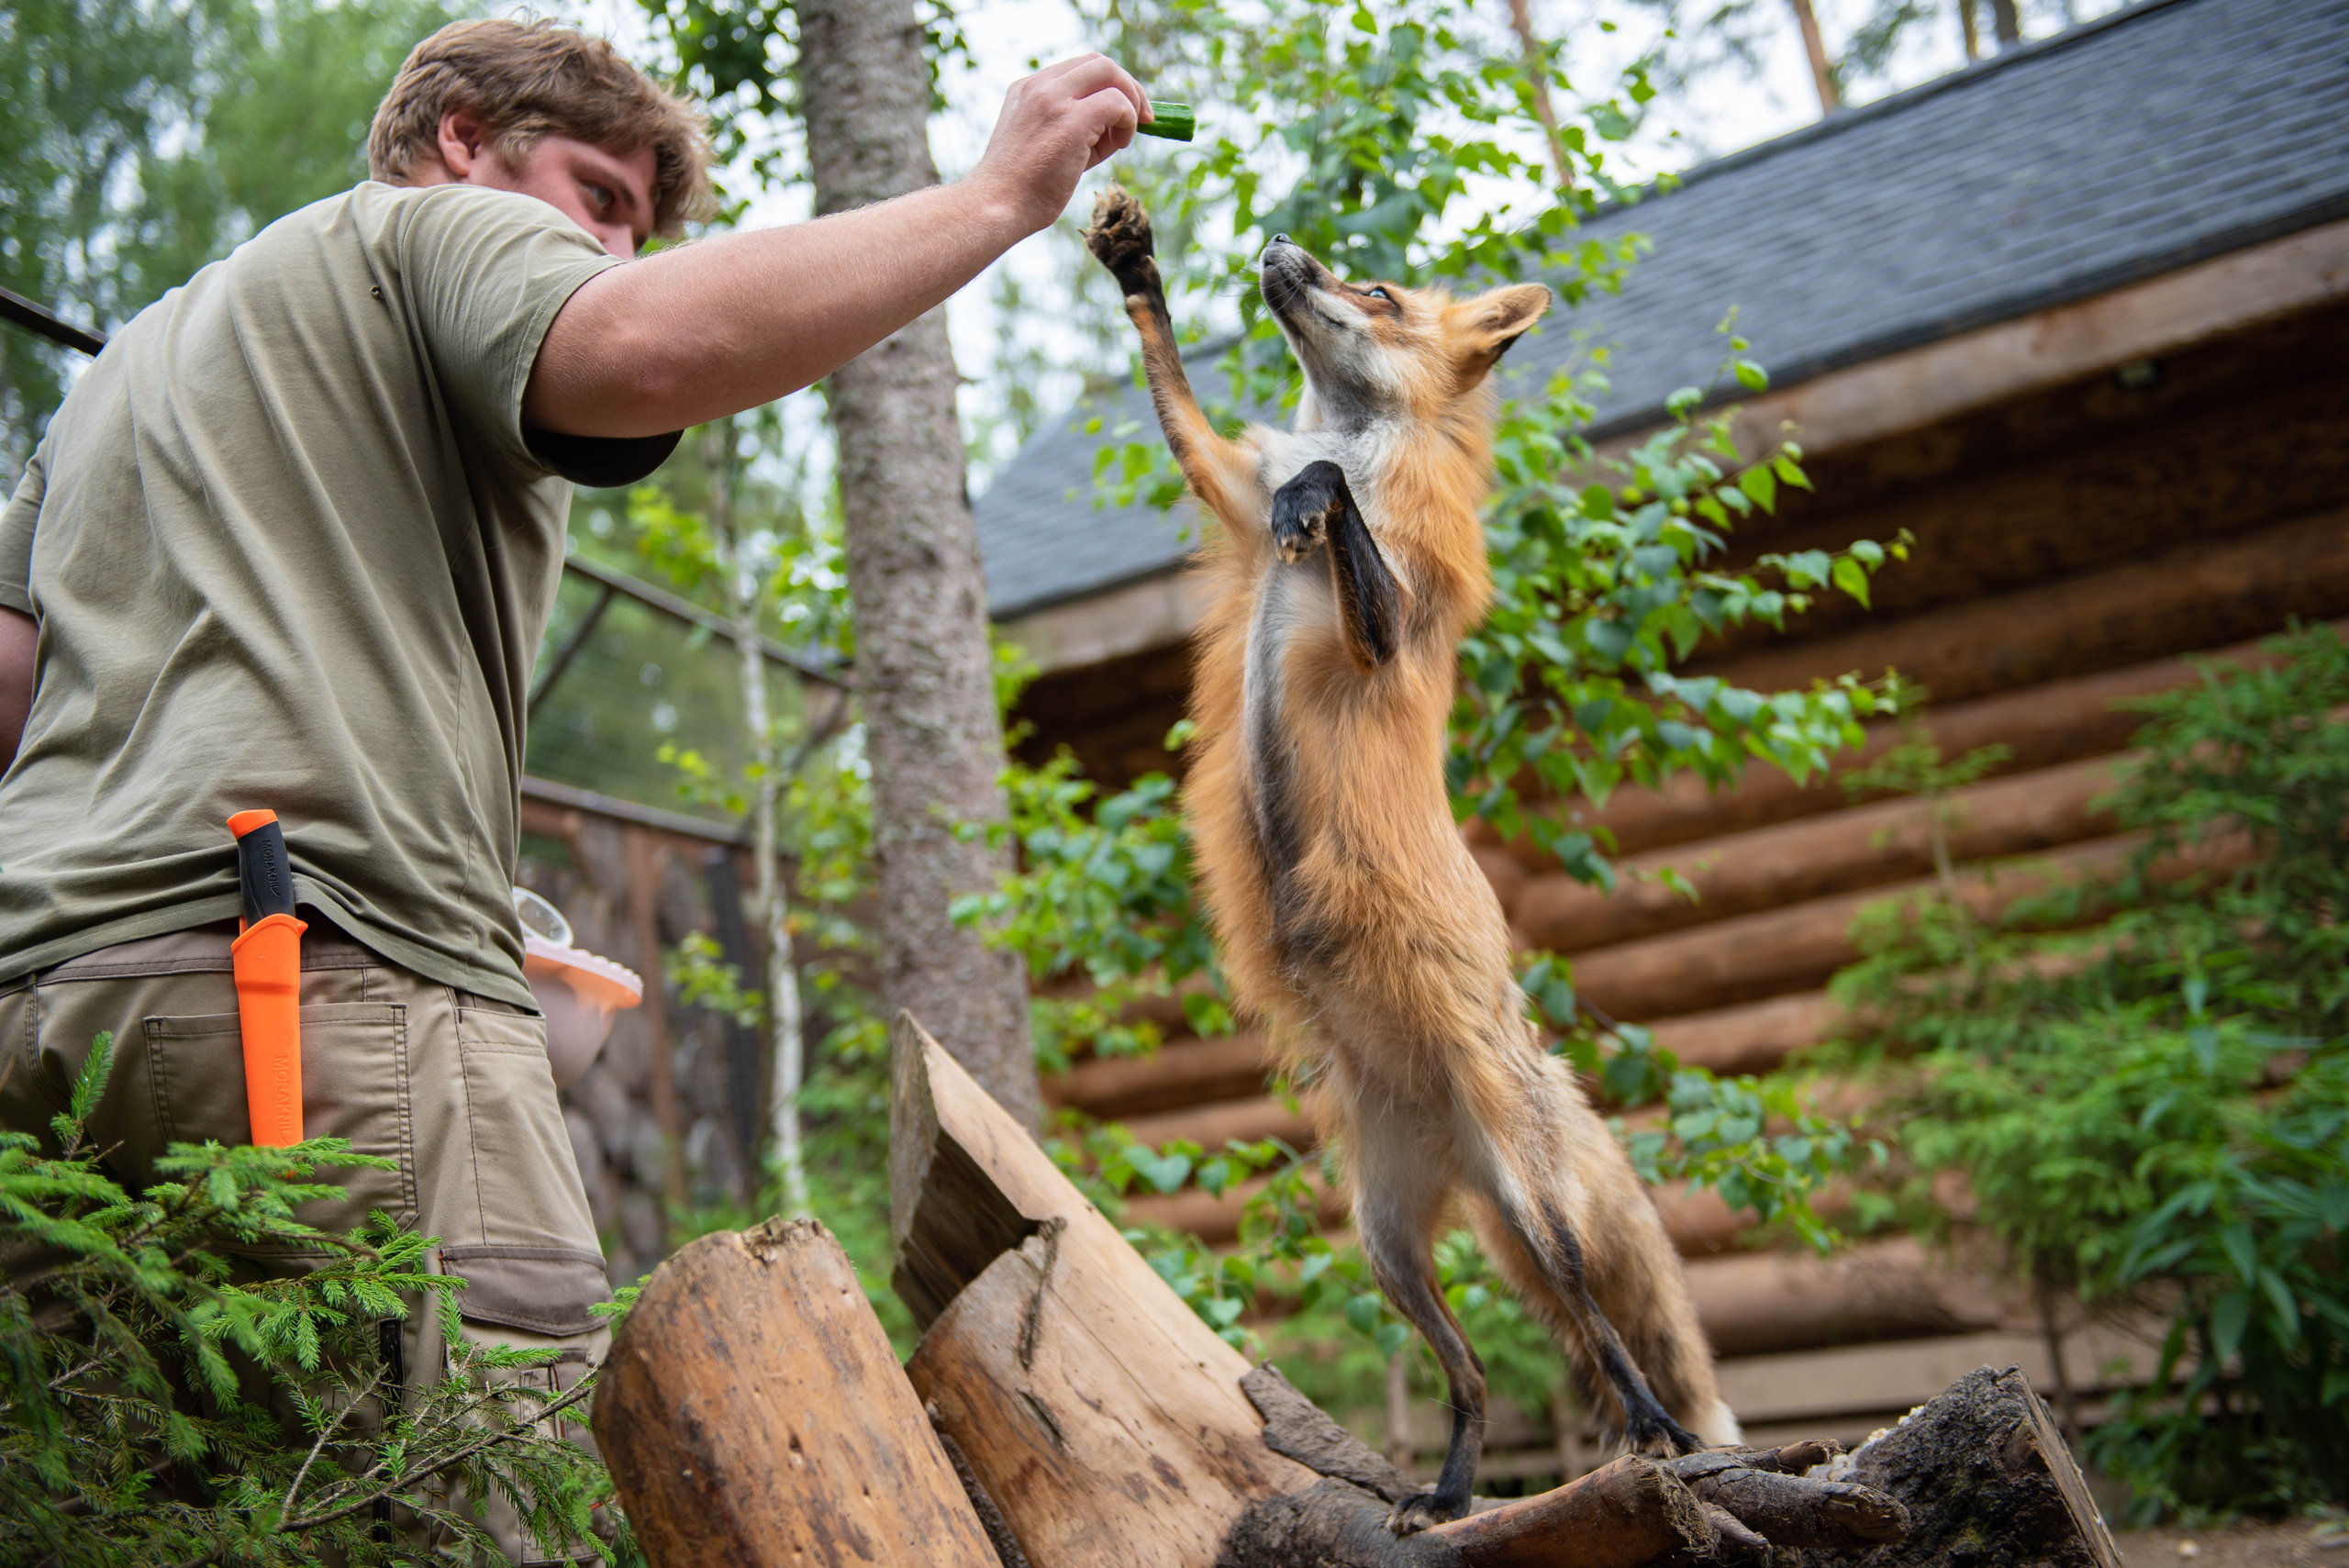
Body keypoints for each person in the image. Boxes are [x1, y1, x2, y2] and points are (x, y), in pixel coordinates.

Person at [0, 17, 1146, 1560]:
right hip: (311, 991)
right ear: (461, 137)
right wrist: (997, 196)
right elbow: (640, 349)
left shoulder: (128, 368)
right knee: (473, 1507)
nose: (613, 246)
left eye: (635, 225)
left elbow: (14, 685)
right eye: (599, 195)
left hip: (47, 1013)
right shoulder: (434, 228)